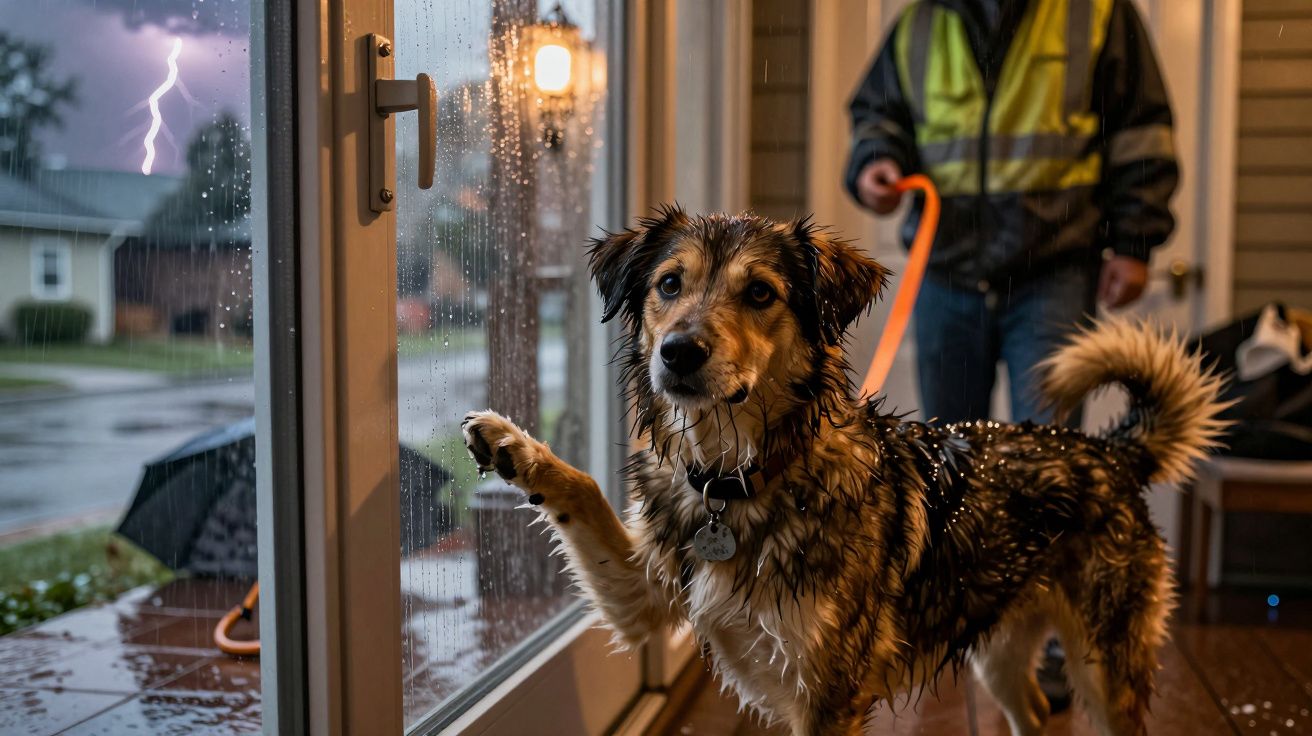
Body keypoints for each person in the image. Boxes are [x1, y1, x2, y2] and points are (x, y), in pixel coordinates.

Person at [844, 0, 1178, 714]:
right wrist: (875, 163)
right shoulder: (920, 25)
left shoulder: (1095, 15)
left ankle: (1062, 648)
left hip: (1053, 267)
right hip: (946, 267)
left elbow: (1141, 129)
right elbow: (877, 115)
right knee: (942, 471)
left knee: (1049, 460)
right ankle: (948, 632)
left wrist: (1136, 241)